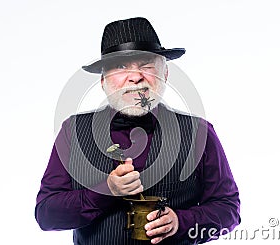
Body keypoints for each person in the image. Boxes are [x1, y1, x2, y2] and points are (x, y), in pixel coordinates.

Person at [35, 17, 240, 245]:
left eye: (146, 64)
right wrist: (105, 190)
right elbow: (46, 215)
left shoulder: (199, 132)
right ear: (103, 81)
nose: (135, 76)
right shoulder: (73, 131)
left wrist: (181, 222)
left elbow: (228, 208)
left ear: (165, 74)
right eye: (121, 66)